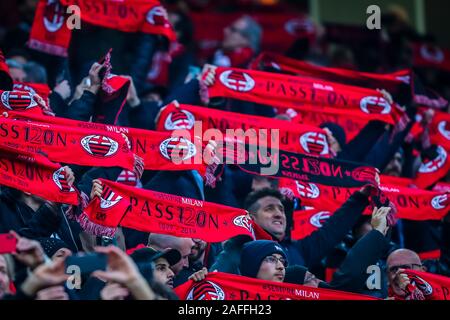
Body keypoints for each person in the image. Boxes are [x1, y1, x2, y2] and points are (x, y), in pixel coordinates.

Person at [212, 185, 372, 273]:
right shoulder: (237, 250)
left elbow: (333, 230)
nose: (278, 214)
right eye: (269, 209)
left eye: (281, 210)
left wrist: (360, 199)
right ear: (251, 218)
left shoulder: (299, 250)